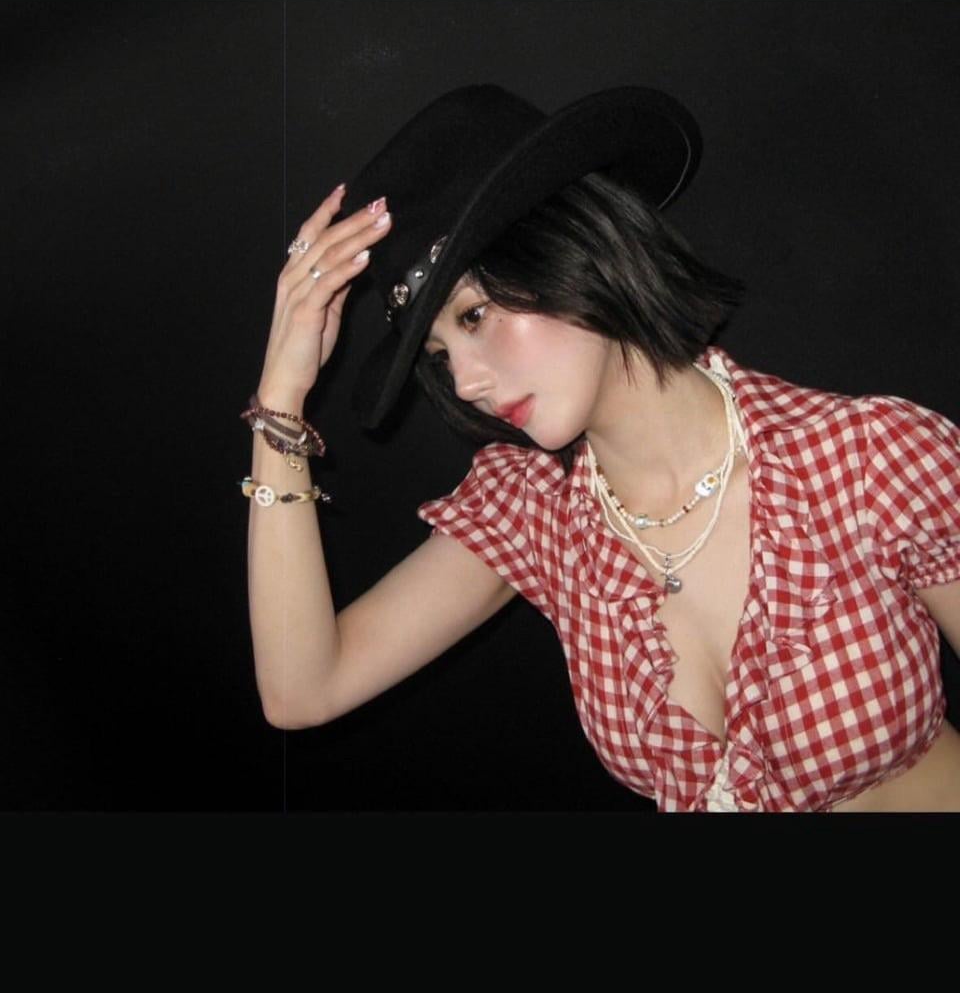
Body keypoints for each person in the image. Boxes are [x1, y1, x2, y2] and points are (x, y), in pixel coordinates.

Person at [242, 84, 960, 812]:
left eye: (475, 314)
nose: (465, 381)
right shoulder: (537, 514)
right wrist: (281, 397)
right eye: (439, 353)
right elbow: (303, 689)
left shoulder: (871, 461)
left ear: (572, 248)